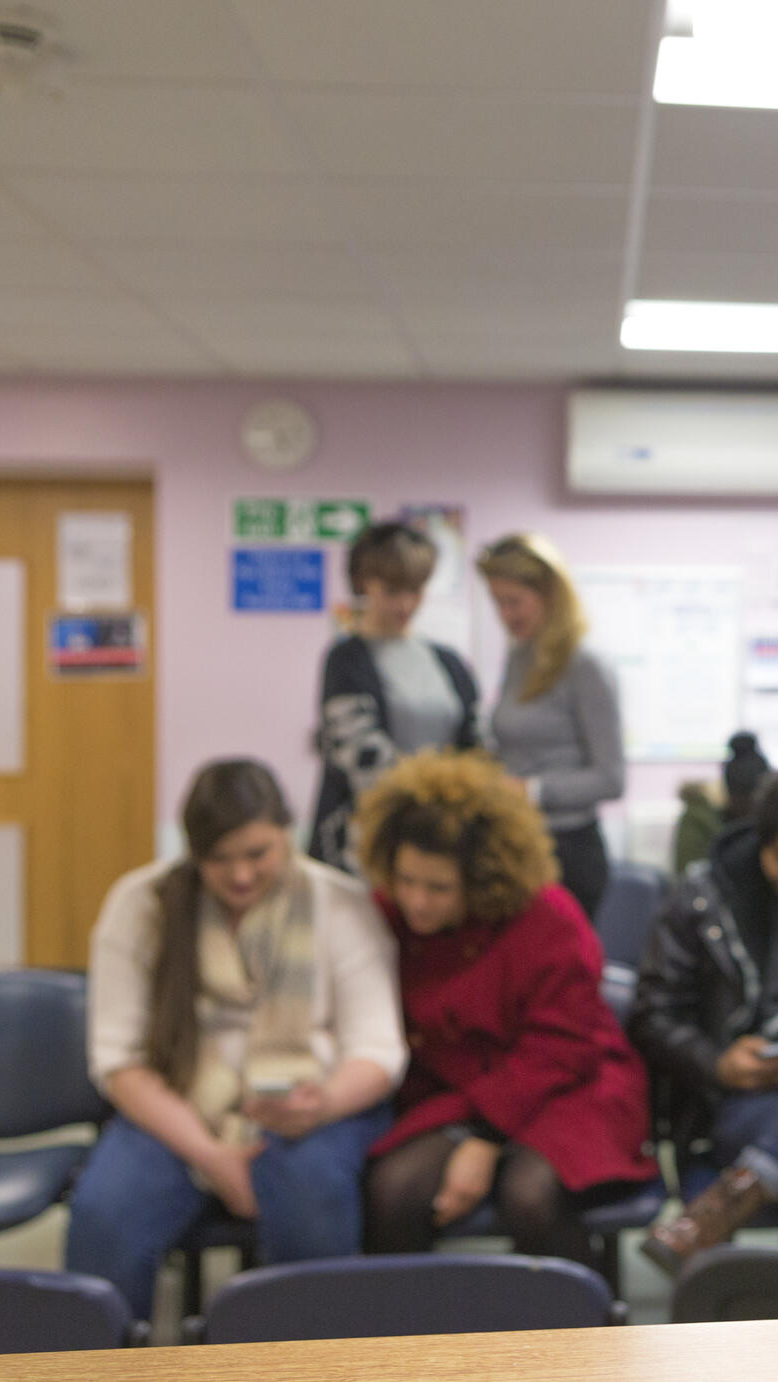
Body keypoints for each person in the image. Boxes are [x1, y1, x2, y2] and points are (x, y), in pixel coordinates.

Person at [66, 759, 405, 1320]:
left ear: (287, 834)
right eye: (219, 860)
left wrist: (321, 1106)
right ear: (193, 853)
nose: (241, 876)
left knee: (311, 1199)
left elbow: (378, 1047)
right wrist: (209, 1154)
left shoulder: (339, 903)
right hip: (178, 1104)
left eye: (258, 854)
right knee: (106, 1214)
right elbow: (117, 1057)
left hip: (311, 1106)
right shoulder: (141, 904)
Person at [353, 750, 657, 1265]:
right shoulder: (386, 914)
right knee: (392, 1191)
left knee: (530, 1197)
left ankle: (581, 1336)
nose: (417, 902)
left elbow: (563, 1047)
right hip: (458, 1093)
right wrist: (471, 1132)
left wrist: (484, 1139)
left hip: (570, 1086)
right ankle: (415, 1343)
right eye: (406, 881)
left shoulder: (547, 917)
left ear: (483, 878)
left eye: (438, 888)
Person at [631, 767, 778, 1272]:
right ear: (761, 843)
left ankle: (739, 1193)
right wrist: (719, 1064)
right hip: (737, 1100)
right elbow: (652, 1014)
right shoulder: (703, 894)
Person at [310, 521, 481, 870]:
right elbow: (366, 762)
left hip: (445, 844)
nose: (405, 604)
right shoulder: (345, 660)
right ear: (363, 582)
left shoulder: (448, 661)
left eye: (416, 590)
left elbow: (477, 747)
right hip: (366, 846)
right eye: (391, 590)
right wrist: (445, 795)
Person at [475, 532, 624, 919]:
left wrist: (531, 792)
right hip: (518, 840)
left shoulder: (584, 666)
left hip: (568, 849)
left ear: (550, 596)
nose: (506, 615)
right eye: (497, 603)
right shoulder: (519, 658)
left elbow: (611, 778)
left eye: (515, 602)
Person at [671, 730, 770, 875]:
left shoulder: (776, 821)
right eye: (742, 800)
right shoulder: (700, 818)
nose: (748, 808)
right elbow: (689, 875)